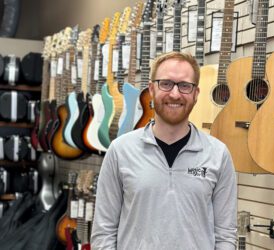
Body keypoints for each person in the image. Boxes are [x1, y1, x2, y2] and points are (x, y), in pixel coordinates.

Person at [91, 51, 237, 249]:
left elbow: (226, 234)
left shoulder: (218, 154)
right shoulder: (120, 151)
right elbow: (103, 232)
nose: (175, 94)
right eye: (166, 84)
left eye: (185, 86)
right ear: (151, 89)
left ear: (196, 94)